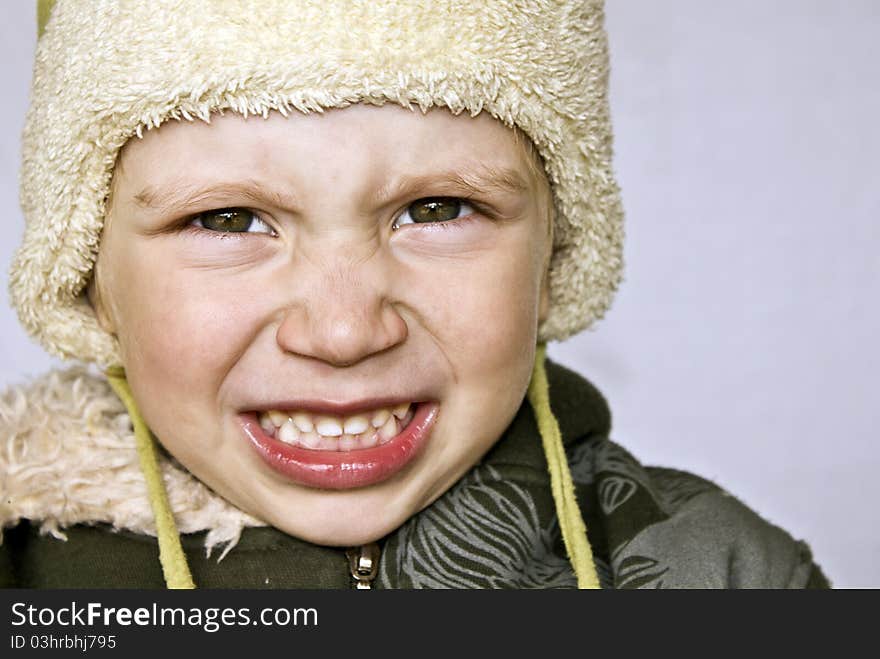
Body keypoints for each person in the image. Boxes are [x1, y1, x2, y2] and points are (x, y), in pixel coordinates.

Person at [0, 0, 828, 589]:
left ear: (553, 259)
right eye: (228, 218)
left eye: (436, 210)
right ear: (88, 281)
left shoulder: (724, 574)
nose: (344, 331)